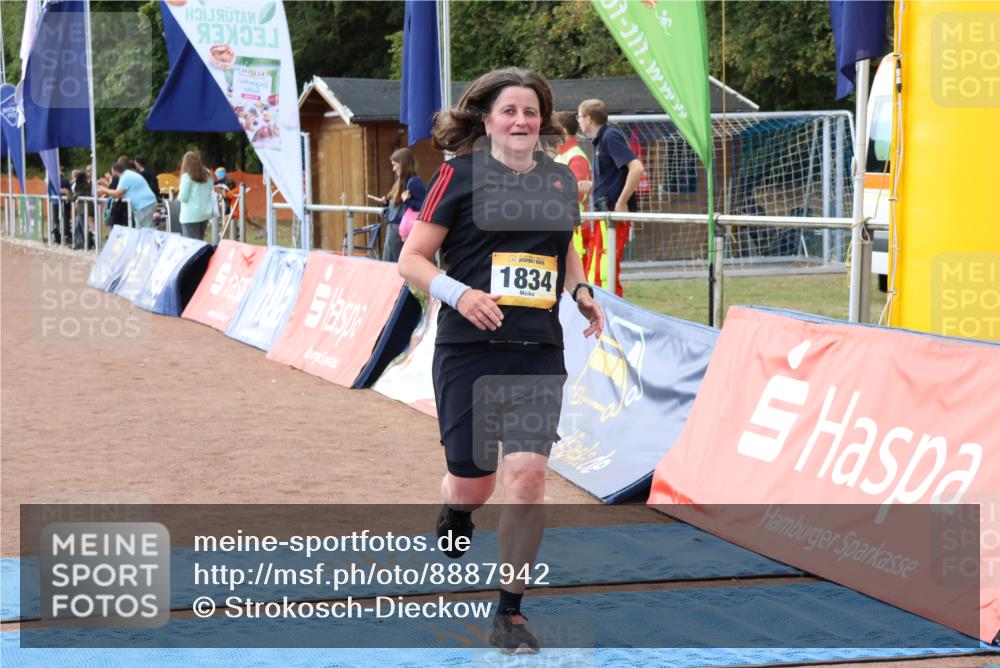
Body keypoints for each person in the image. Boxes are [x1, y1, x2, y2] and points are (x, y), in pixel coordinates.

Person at [398, 67, 605, 655]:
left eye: (531, 112)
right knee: (475, 484)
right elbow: (412, 259)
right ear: (486, 119)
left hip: (537, 351)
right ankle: (454, 509)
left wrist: (581, 290)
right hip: (469, 352)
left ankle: (509, 612)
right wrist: (458, 293)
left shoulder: (561, 181)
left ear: (543, 121)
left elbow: (562, 244)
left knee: (528, 479)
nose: (521, 121)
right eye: (509, 111)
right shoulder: (456, 176)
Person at [576, 99, 645, 297]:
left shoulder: (610, 136)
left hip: (612, 216)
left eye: (579, 116)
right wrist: (594, 185)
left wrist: (621, 202)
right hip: (603, 215)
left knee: (604, 269)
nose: (578, 121)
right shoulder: (600, 140)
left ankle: (609, 312)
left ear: (588, 119)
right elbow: (616, 175)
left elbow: (636, 167)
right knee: (597, 267)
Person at [552, 111, 596, 281]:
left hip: (573, 226)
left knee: (573, 276)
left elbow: (574, 192)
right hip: (562, 221)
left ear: (562, 131)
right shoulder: (562, 154)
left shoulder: (576, 157)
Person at [374, 147, 426, 262]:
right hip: (394, 228)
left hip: (402, 230)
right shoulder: (401, 181)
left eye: (395, 165)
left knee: (397, 266)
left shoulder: (414, 182)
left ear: (403, 164)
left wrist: (407, 201)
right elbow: (399, 204)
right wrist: (387, 202)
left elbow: (424, 206)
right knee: (390, 264)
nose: (393, 169)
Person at [97, 160, 158, 229]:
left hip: (144, 205)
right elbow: (121, 194)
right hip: (147, 203)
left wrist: (103, 189)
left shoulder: (125, 177)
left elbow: (117, 193)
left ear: (115, 171)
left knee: (144, 230)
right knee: (143, 229)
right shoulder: (128, 174)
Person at [176, 151, 215, 240]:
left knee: (191, 245)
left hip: (190, 216)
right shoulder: (207, 175)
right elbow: (211, 191)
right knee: (200, 242)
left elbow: (183, 197)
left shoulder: (186, 176)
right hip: (204, 214)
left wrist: (177, 196)